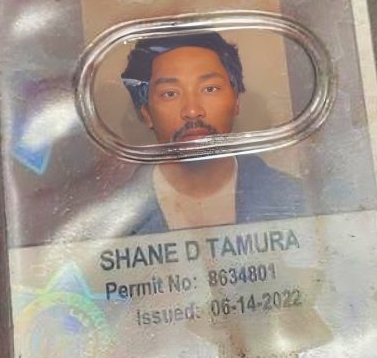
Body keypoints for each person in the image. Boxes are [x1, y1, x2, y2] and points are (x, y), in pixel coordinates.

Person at [120, 32, 306, 234]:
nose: (192, 111)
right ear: (146, 114)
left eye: (210, 89)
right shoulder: (115, 215)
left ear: (236, 101)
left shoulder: (297, 199)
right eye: (170, 93)